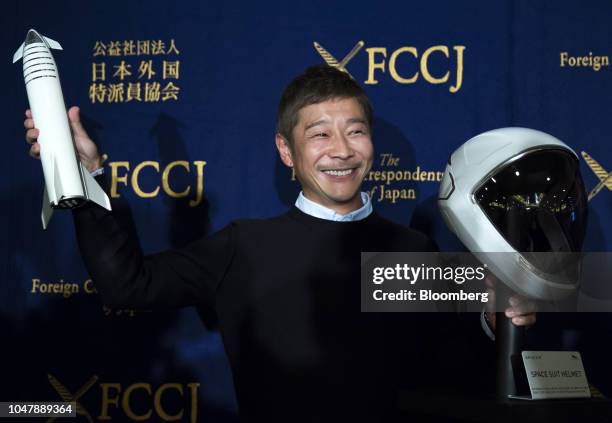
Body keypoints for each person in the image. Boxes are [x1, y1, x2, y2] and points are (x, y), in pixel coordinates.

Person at [24, 65, 535, 421]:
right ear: (286, 151)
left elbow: (459, 368)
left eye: (355, 131)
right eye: (319, 135)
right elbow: (125, 285)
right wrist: (86, 175)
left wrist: (495, 322)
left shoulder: (416, 251)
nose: (341, 150)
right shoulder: (242, 248)